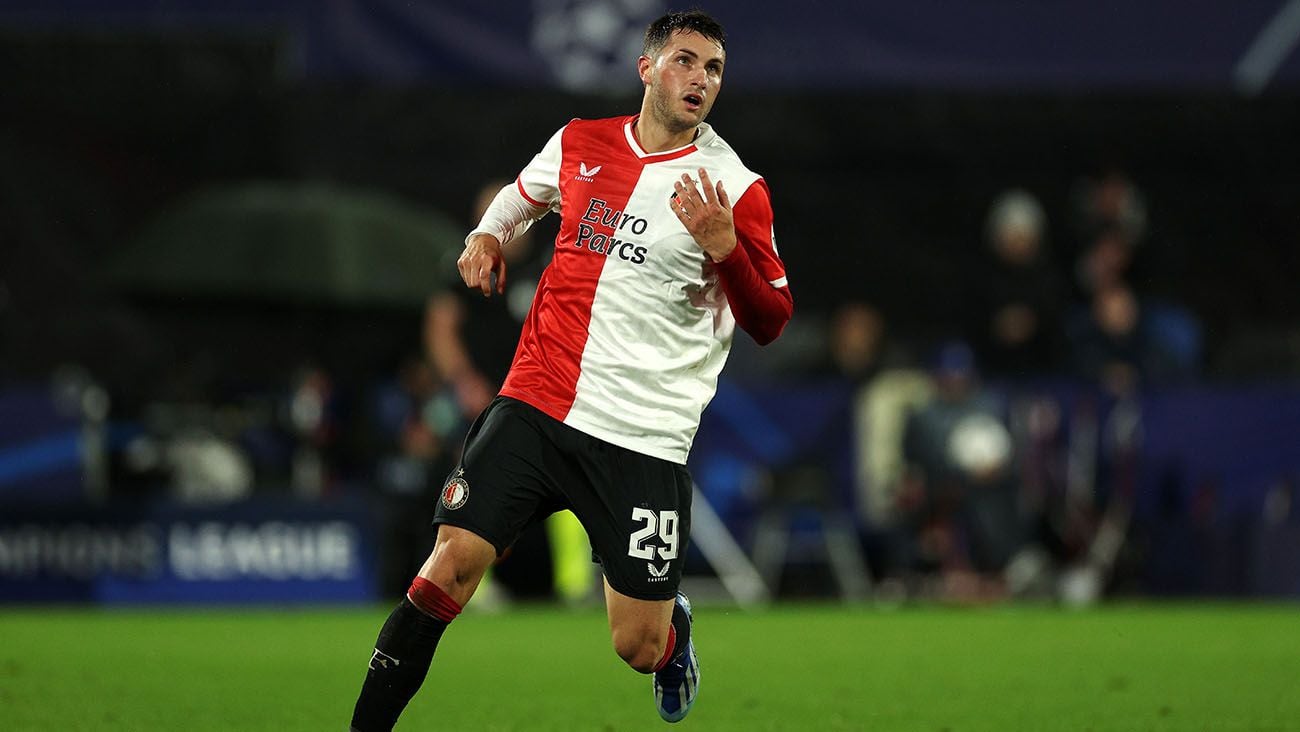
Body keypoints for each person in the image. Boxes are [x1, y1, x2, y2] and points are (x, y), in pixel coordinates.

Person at [348, 10, 792, 730]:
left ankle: (672, 634)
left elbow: (771, 317)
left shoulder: (734, 188)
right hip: (538, 402)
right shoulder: (580, 141)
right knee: (448, 568)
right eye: (685, 61)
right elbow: (521, 198)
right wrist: (487, 235)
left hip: (643, 436)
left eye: (713, 69)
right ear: (646, 68)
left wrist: (725, 249)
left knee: (637, 647)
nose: (700, 80)